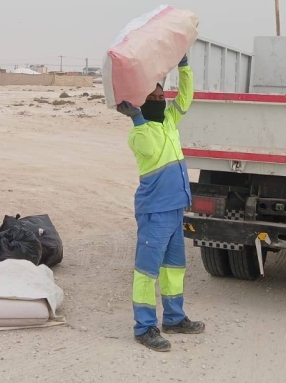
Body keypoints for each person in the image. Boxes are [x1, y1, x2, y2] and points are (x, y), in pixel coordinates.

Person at [117, 54, 205, 352]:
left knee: (174, 268)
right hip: (154, 212)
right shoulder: (139, 133)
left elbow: (186, 96)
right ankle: (144, 327)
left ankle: (174, 318)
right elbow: (150, 148)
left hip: (174, 209)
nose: (159, 99)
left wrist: (184, 66)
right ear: (141, 102)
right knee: (147, 271)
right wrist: (137, 117)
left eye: (160, 95)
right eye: (152, 97)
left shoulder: (169, 121)